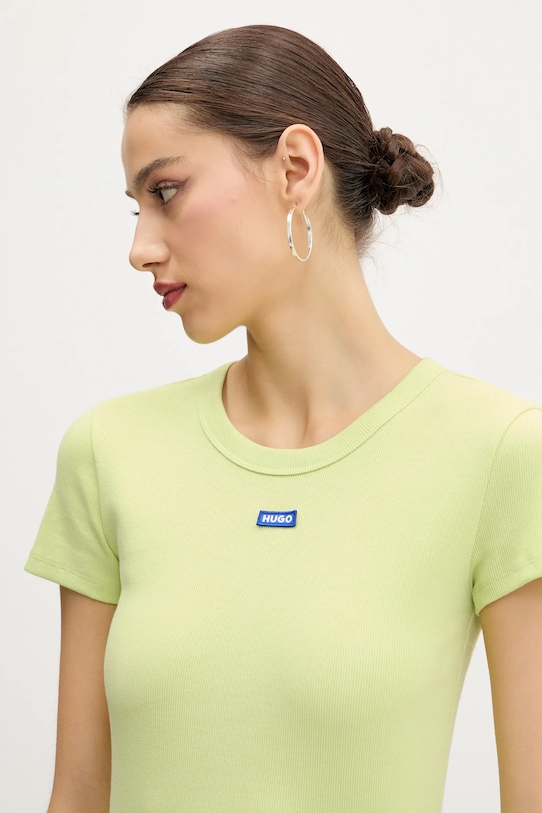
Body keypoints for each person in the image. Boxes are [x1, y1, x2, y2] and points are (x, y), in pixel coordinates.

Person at [25, 23, 542, 813]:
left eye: (165, 192)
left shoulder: (498, 452)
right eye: (135, 207)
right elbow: (78, 795)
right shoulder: (109, 452)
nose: (139, 248)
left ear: (295, 168)